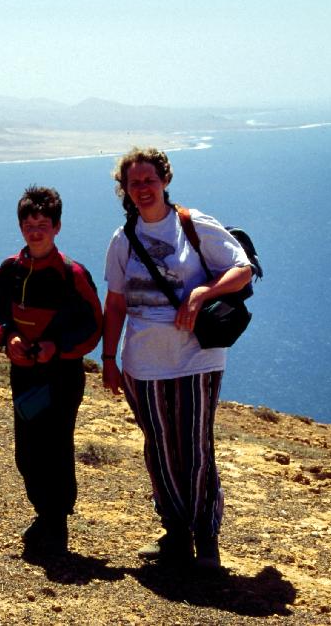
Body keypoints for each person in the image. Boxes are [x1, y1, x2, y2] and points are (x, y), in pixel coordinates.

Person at [101, 147, 252, 569]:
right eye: (134, 183)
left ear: (165, 179)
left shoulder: (193, 224)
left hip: (197, 357)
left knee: (197, 446)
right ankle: (175, 534)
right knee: (161, 448)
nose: (143, 189)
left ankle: (206, 537)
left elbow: (240, 269)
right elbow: (114, 304)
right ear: (125, 190)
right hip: (143, 362)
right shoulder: (122, 240)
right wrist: (108, 358)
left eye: (149, 180)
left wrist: (205, 291)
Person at [0, 186, 103, 555]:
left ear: (57, 227)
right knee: (27, 450)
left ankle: (56, 524)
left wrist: (59, 349)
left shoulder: (73, 273)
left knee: (55, 447)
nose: (36, 231)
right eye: (29, 224)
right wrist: (8, 339)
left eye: (43, 224)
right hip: (25, 375)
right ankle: (44, 515)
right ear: (21, 227)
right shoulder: (10, 270)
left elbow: (93, 325)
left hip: (62, 377)